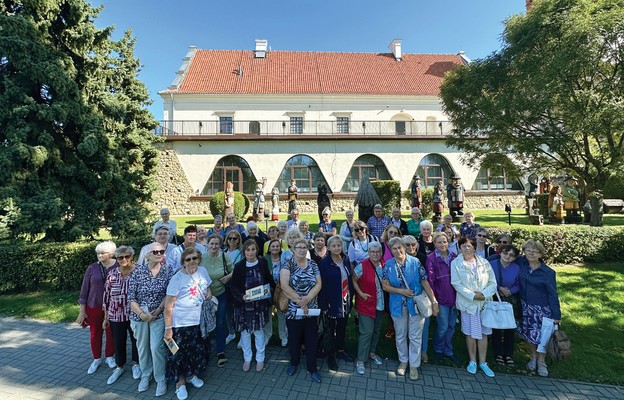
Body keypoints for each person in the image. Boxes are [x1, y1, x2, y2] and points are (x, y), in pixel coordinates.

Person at [382, 237, 439, 381]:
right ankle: (403, 361)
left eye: (399, 247)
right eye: (394, 249)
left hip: (415, 304)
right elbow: (385, 286)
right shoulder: (388, 265)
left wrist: (433, 301)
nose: (397, 251)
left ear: (404, 248)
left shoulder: (415, 262)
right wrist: (401, 292)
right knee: (400, 334)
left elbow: (424, 281)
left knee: (415, 336)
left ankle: (414, 365)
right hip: (397, 305)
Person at [164, 247, 211, 400]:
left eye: (194, 258)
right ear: (183, 262)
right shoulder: (177, 279)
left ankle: (191, 376)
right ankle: (180, 383)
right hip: (180, 323)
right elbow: (168, 305)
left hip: (198, 322)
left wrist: (208, 292)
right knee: (178, 354)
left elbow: (207, 286)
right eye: (188, 259)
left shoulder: (202, 271)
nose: (192, 262)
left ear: (199, 259)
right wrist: (168, 328)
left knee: (195, 351)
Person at [129, 243, 174, 396]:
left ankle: (160, 378)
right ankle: (146, 374)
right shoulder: (137, 272)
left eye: (162, 251)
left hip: (158, 315)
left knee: (157, 347)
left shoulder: (167, 270)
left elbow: (170, 293)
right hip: (139, 315)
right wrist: (142, 314)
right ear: (147, 255)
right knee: (142, 347)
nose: (159, 253)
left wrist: (159, 310)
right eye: (155, 251)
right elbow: (130, 298)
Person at [450, 237, 497, 378]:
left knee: (483, 333)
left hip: (483, 303)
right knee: (470, 333)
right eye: (463, 245)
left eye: (470, 246)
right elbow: (456, 284)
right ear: (460, 248)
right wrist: (472, 295)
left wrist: (483, 294)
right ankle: (472, 361)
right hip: (468, 304)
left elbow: (492, 283)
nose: (467, 248)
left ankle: (483, 362)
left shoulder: (484, 263)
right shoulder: (456, 263)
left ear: (475, 247)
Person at [280, 238, 323, 383]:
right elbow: (285, 286)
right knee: (294, 338)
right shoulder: (287, 265)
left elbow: (319, 283)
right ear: (293, 249)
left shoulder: (313, 264)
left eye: (305, 247)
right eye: (299, 247)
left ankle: (312, 368)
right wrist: (301, 302)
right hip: (293, 310)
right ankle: (294, 362)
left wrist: (308, 298)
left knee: (311, 339)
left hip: (311, 309)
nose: (302, 250)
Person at [517, 240, 561, 377]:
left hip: (542, 309)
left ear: (540, 254)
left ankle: (542, 362)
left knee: (543, 337)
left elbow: (553, 294)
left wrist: (556, 315)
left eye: (534, 251)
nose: (530, 253)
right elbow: (502, 256)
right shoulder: (521, 264)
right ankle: (533, 356)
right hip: (525, 307)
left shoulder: (548, 272)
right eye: (528, 250)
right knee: (529, 335)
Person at [229, 239, 274, 372]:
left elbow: (268, 280)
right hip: (244, 305)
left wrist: (268, 291)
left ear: (256, 250)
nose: (250, 252)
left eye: (253, 249)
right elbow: (233, 286)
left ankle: (260, 358)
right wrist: (241, 296)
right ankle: (247, 358)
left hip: (259, 304)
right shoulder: (239, 266)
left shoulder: (262, 262)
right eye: (248, 250)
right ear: (244, 251)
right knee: (245, 333)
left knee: (259, 332)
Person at [77, 241, 118, 375]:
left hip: (113, 306)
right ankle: (96, 359)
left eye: (102, 253)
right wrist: (82, 311)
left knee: (111, 332)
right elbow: (84, 290)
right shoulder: (92, 268)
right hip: (94, 305)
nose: (99, 255)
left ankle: (110, 356)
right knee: (95, 333)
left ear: (111, 254)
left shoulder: (118, 266)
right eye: (98, 253)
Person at [102, 246, 141, 384]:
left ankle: (136, 364)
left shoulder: (140, 271)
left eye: (127, 256)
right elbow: (106, 296)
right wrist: (106, 317)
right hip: (115, 315)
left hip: (134, 314)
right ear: (116, 259)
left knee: (136, 340)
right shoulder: (112, 274)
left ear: (132, 256)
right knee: (118, 341)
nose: (124, 259)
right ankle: (120, 366)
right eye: (120, 257)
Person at [318, 235, 354, 371]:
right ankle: (330, 355)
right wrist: (324, 305)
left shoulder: (345, 259)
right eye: (334, 246)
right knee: (330, 330)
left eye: (339, 245)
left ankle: (340, 350)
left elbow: (349, 279)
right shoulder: (324, 264)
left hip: (344, 301)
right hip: (331, 303)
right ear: (329, 248)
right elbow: (322, 286)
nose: (337, 248)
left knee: (342, 327)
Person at [425, 232, 460, 365]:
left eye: (444, 241)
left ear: (448, 242)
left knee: (451, 326)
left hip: (455, 298)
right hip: (441, 298)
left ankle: (448, 349)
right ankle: (438, 349)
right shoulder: (431, 258)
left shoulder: (455, 257)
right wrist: (434, 300)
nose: (442, 244)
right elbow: (430, 280)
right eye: (439, 242)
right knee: (443, 326)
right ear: (434, 243)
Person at [200, 234, 233, 368]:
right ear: (207, 244)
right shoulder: (201, 257)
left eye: (216, 244)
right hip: (204, 297)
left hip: (220, 294)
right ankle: (205, 349)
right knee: (205, 323)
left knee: (220, 322)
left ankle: (220, 350)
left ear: (220, 245)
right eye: (211, 243)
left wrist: (228, 277)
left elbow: (233, 270)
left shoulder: (225, 257)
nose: (214, 246)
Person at [352, 242, 385, 375]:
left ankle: (371, 353)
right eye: (372, 252)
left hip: (381, 303)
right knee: (367, 332)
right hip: (366, 303)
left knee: (376, 330)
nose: (375, 254)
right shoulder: (362, 265)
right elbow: (353, 279)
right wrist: (360, 293)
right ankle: (360, 360)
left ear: (381, 253)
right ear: (369, 253)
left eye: (377, 252)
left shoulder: (384, 264)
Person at [489, 244, 521, 367]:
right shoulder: (492, 265)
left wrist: (510, 291)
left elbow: (518, 284)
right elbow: (486, 279)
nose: (507, 256)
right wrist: (499, 288)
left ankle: (508, 353)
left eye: (511, 255)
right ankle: (498, 353)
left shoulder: (516, 268)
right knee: (496, 326)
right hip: (494, 298)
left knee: (509, 326)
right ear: (500, 252)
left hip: (508, 300)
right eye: (505, 253)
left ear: (514, 257)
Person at [402, 236, 428, 363]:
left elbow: (425, 280)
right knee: (404, 330)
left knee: (422, 327)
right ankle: (405, 357)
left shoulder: (422, 258)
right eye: (407, 244)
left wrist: (433, 300)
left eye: (413, 244)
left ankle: (422, 352)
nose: (410, 247)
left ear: (417, 244)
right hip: (402, 300)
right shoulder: (395, 261)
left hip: (420, 297)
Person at [264, 238, 289, 347]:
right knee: (267, 313)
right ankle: (267, 335)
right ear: (269, 248)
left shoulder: (283, 258)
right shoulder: (265, 259)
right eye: (272, 246)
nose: (275, 248)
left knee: (281, 312)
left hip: (281, 289)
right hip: (268, 289)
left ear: (280, 248)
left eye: (277, 246)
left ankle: (283, 335)